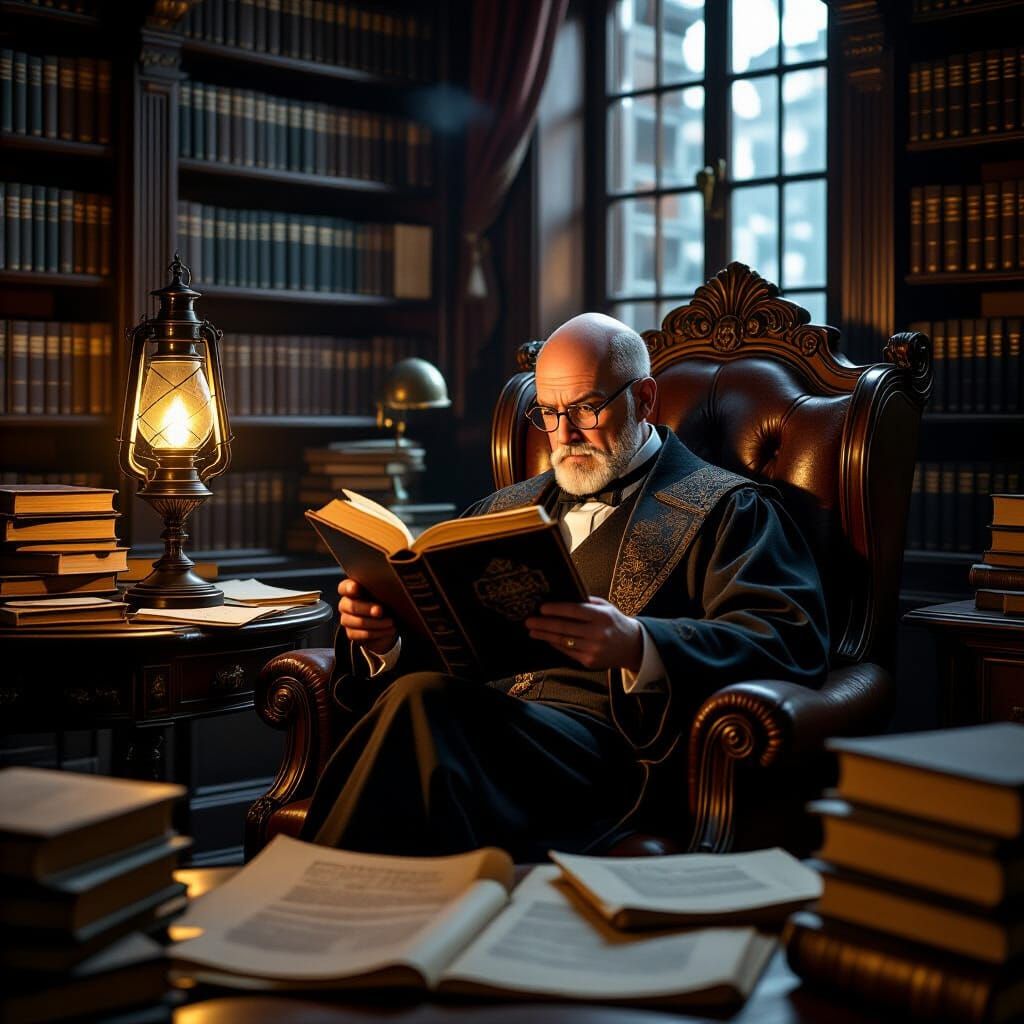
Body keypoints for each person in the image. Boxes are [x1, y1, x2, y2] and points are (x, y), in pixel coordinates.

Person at [302, 313, 829, 859]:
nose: (565, 434)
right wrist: (385, 639)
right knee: (421, 710)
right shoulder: (501, 512)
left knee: (424, 708)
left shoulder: (731, 510)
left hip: (609, 758)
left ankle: (312, 902)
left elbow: (789, 639)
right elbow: (451, 648)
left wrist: (638, 643)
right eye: (549, 413)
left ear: (645, 399)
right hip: (481, 735)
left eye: (584, 408)